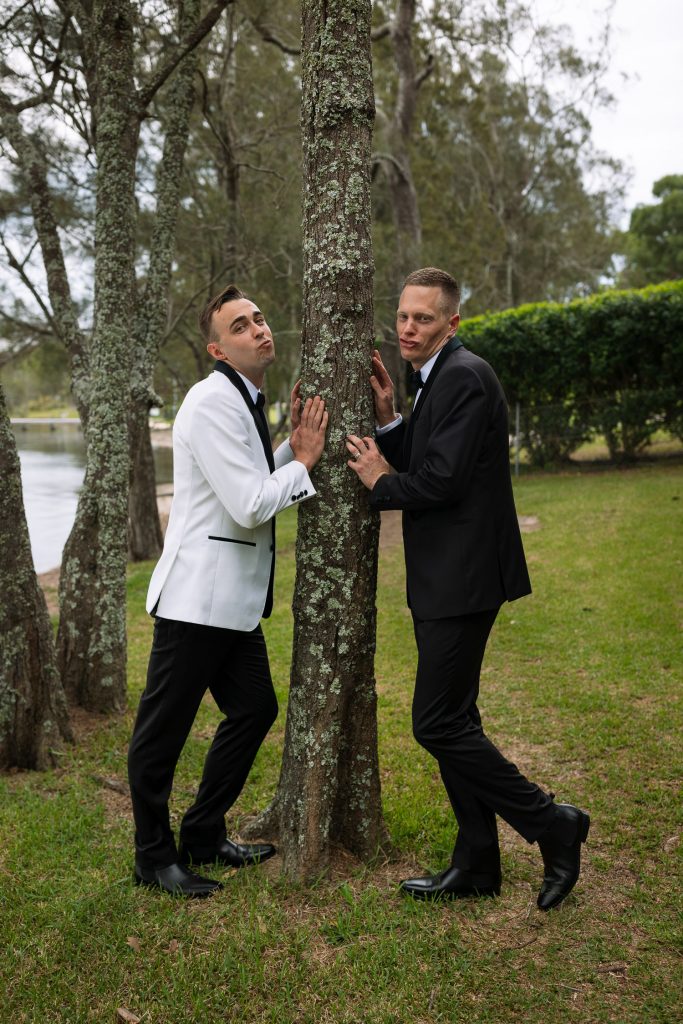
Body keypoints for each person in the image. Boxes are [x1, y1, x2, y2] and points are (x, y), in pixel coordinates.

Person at [346, 267, 589, 910]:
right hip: (448, 576)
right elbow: (431, 452)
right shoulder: (437, 377)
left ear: (451, 323)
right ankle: (478, 861)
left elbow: (439, 483)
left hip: (464, 579)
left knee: (436, 722)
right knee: (457, 717)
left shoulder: (463, 375)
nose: (406, 327)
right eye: (401, 315)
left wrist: (378, 479)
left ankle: (551, 823)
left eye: (422, 318)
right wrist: (392, 421)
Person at [128, 285, 328, 898]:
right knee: (159, 736)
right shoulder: (211, 401)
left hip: (232, 606)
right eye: (241, 326)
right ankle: (153, 859)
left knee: (254, 709)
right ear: (218, 347)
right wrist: (309, 460)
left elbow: (249, 476)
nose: (259, 329)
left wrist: (292, 446)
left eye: (261, 318)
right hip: (196, 601)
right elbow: (247, 506)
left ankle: (204, 832)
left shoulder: (243, 399)